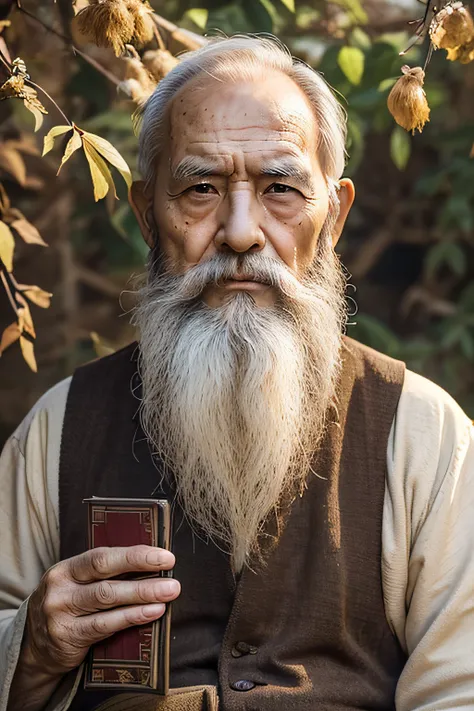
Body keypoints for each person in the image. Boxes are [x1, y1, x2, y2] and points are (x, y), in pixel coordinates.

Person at [1, 34, 474, 711]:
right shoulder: (60, 428)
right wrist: (31, 644)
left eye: (281, 188)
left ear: (333, 216)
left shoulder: (425, 436)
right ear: (146, 214)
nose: (242, 231)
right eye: (201, 189)